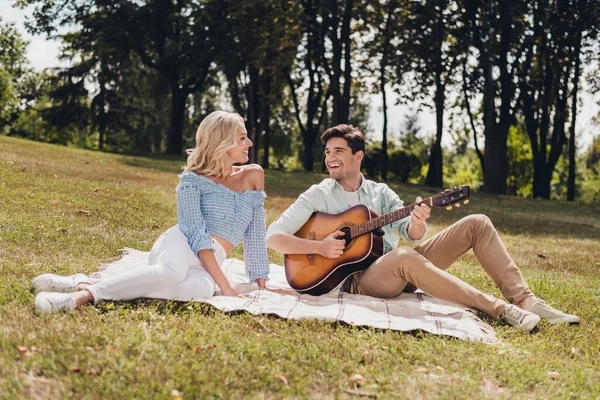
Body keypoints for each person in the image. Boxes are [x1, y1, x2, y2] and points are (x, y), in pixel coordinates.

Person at [266, 124, 580, 331]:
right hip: (358, 279)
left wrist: (418, 222)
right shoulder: (318, 194)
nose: (330, 158)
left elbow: (410, 234)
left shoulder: (381, 193)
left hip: (396, 268)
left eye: (338, 151)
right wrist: (319, 247)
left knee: (477, 223)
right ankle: (501, 310)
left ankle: (525, 301)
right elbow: (274, 237)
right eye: (327, 152)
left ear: (358, 156)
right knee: (404, 258)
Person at [33, 110, 286, 312]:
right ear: (223, 141)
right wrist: (225, 286)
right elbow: (196, 236)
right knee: (172, 272)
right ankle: (82, 296)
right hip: (182, 244)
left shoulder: (254, 174)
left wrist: (261, 284)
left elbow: (254, 232)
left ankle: (82, 281)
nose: (249, 142)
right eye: (242, 137)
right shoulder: (192, 181)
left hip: (210, 263)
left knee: (197, 290)